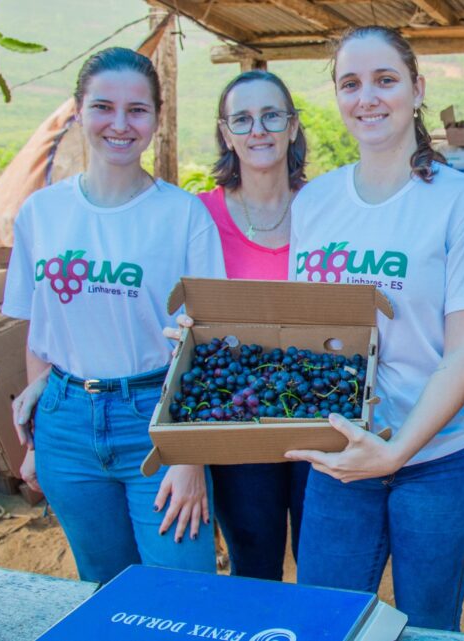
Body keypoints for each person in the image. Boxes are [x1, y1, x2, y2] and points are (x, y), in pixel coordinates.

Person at [281, 26, 464, 631]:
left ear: (416, 89)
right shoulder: (314, 203)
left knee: (425, 624)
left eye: (385, 80)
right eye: (350, 84)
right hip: (340, 454)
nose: (368, 98)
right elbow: (306, 336)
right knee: (325, 620)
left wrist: (398, 451)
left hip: (441, 456)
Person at [4, 47, 225, 584]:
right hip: (66, 422)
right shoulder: (41, 213)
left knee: (181, 588)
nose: (120, 125)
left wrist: (191, 456)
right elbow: (41, 328)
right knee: (103, 587)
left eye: (138, 110)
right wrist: (37, 439)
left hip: (157, 418)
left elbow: (213, 342)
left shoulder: (182, 215)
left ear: (156, 116)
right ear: (77, 111)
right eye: (104, 107)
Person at [201, 70, 310, 581]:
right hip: (237, 419)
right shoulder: (198, 215)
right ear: (225, 132)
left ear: (292, 126)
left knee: (325, 569)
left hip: (318, 411)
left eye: (272, 116)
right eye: (241, 119)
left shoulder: (328, 208)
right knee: (254, 566)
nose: (258, 130)